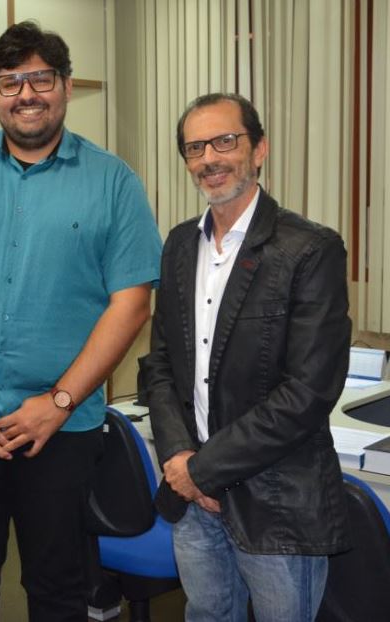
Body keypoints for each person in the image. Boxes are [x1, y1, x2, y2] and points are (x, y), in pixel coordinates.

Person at [0, 21, 162, 620]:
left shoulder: (113, 182)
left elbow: (130, 303)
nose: (26, 94)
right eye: (9, 82)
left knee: (59, 586)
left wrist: (60, 401)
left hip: (62, 429)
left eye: (40, 79)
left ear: (66, 85)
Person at [143, 93, 351, 621]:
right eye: (195, 148)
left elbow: (308, 391)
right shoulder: (179, 246)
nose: (209, 158)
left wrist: (203, 471)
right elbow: (161, 365)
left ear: (259, 149)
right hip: (192, 496)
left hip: (276, 499)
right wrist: (179, 459)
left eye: (225, 141)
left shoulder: (309, 249)